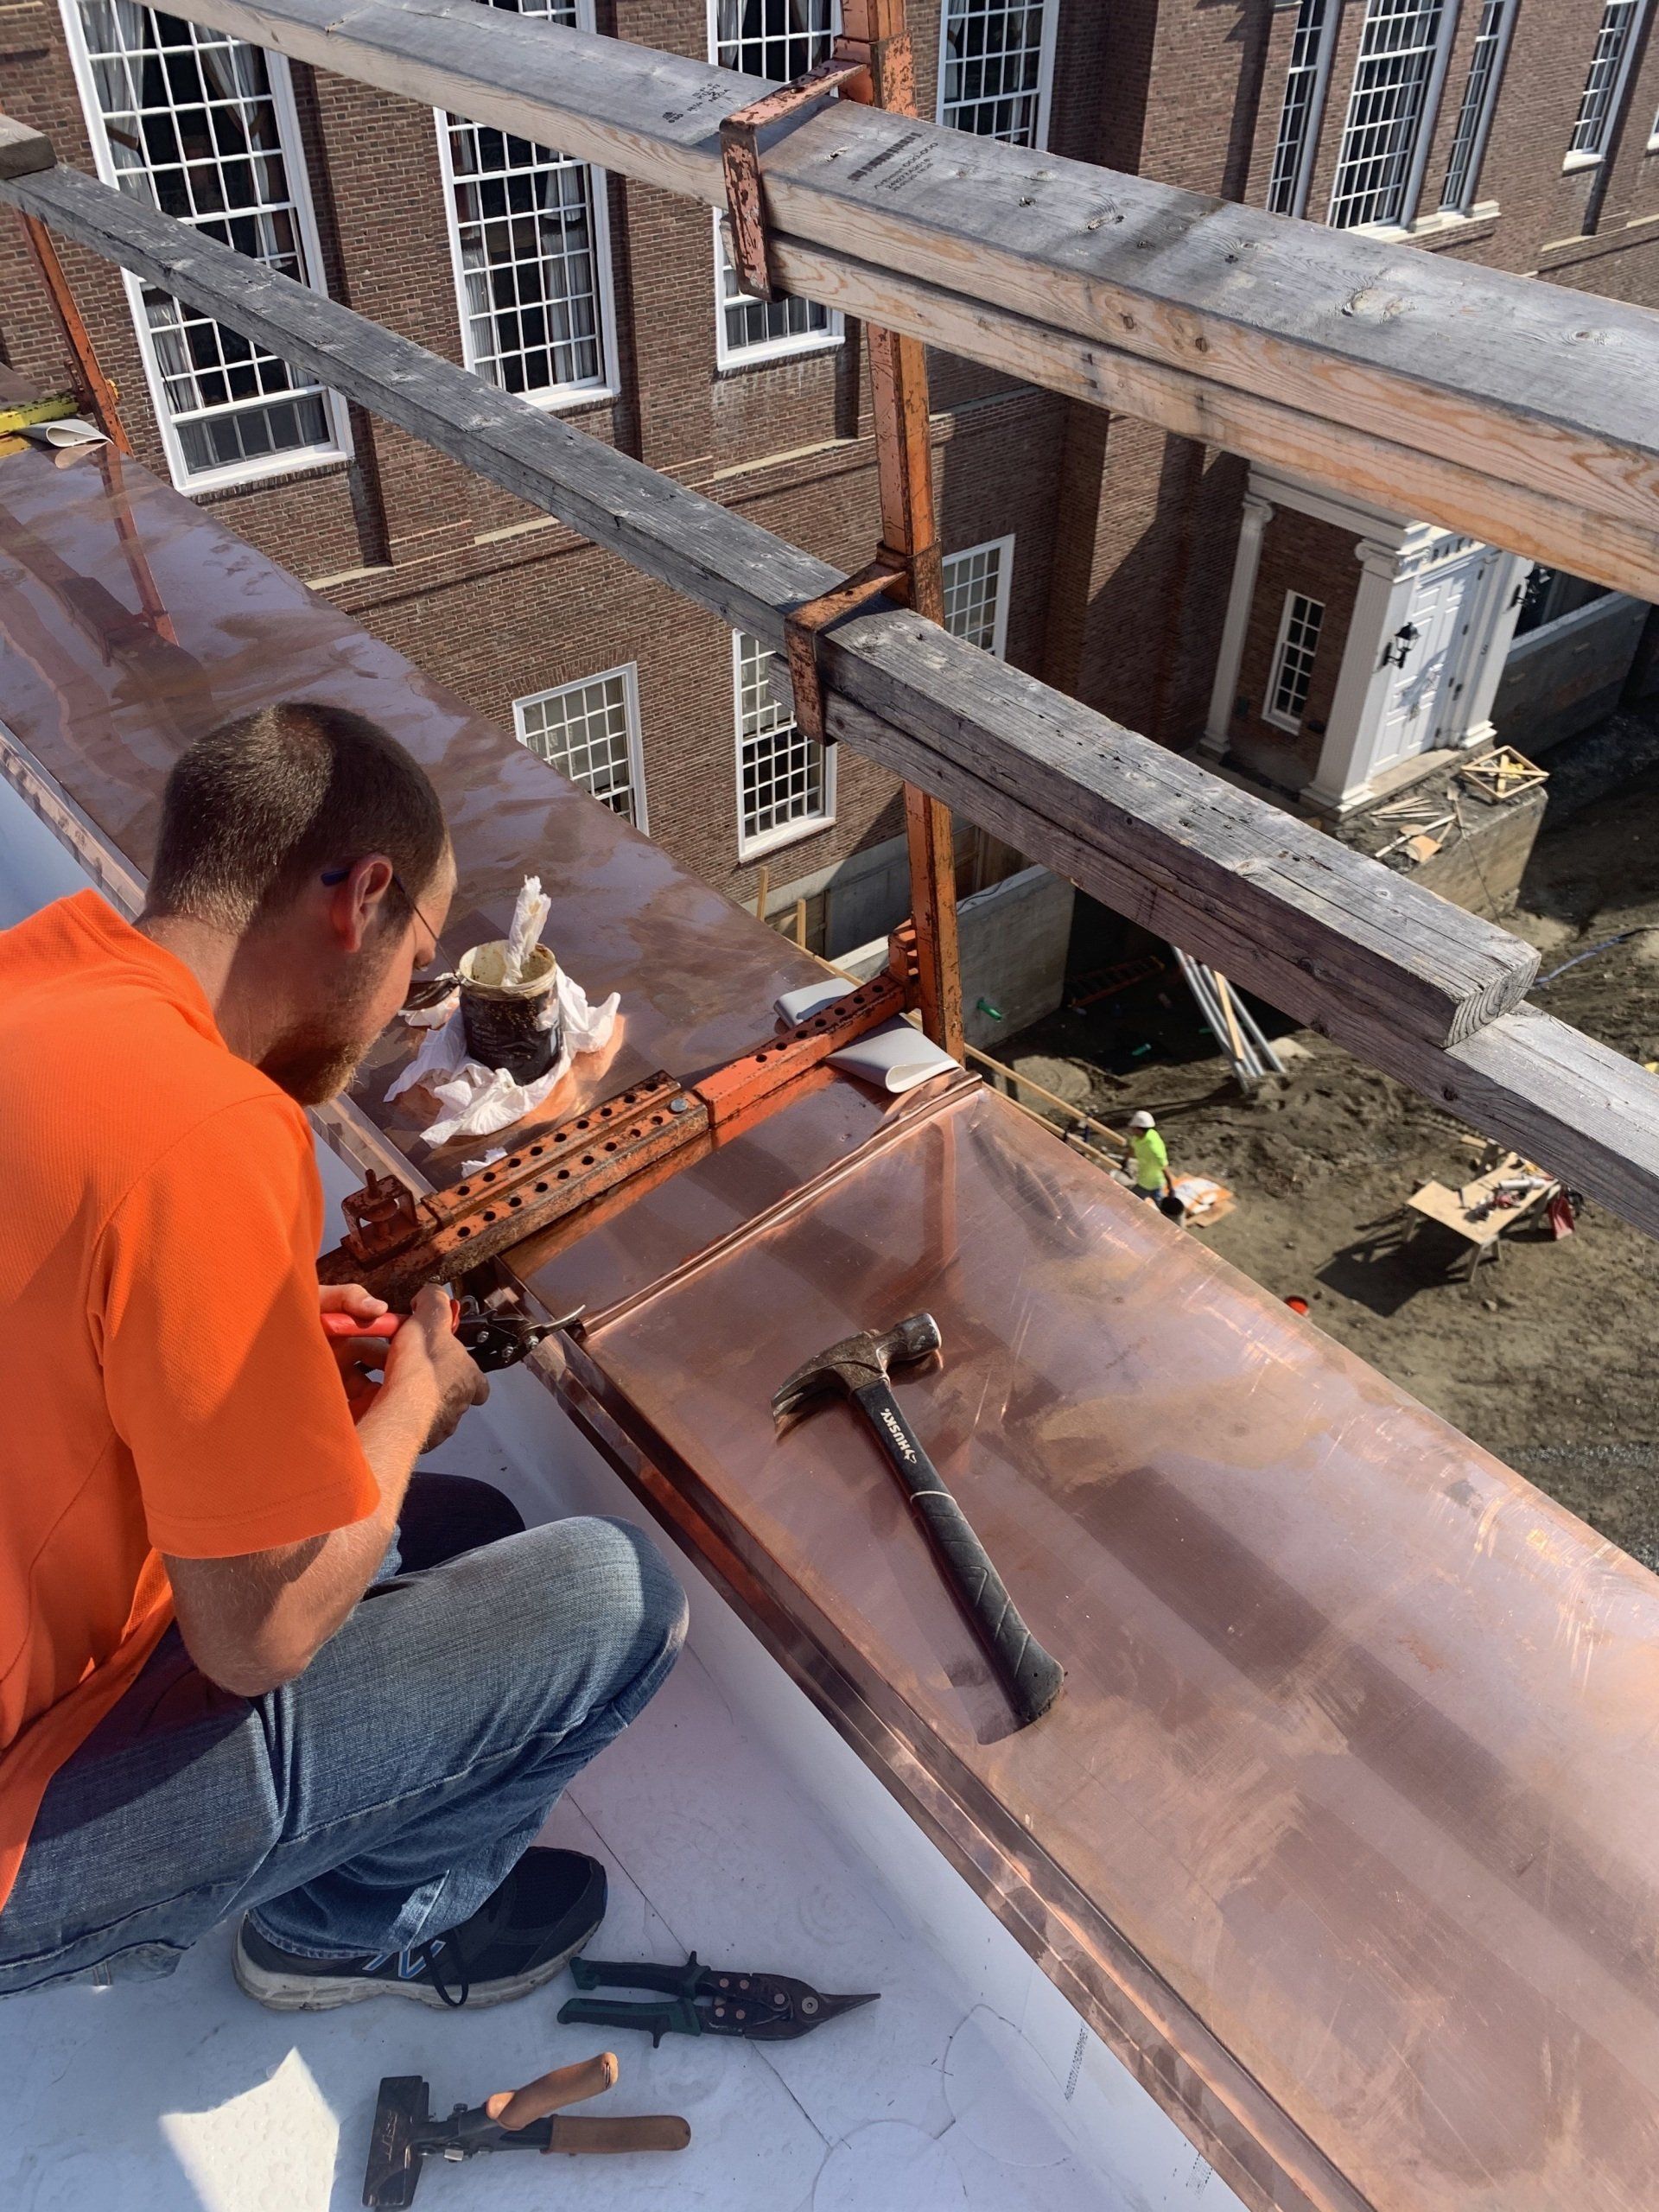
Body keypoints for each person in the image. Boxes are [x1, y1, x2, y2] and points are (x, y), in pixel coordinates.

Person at [0, 701, 686, 2009]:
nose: (402, 1010)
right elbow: (253, 1640)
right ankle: (355, 1931)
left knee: (466, 1528)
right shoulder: (213, 1128)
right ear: (361, 898)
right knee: (617, 1598)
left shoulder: (36, 977)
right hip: (13, 1837)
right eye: (421, 966)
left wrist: (248, 1326)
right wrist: (417, 1399)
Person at [1122, 1109, 1176, 1205]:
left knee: (1131, 1203)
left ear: (1139, 1129)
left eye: (1133, 1128)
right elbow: (1132, 1148)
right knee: (1159, 1202)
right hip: (1143, 1178)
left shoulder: (1154, 1149)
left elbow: (1164, 1168)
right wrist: (1125, 1160)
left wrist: (1171, 1187)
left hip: (1151, 1183)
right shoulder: (1138, 1138)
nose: (1131, 1130)